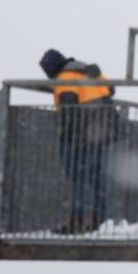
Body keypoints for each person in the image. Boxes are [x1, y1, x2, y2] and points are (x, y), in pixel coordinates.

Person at [39, 48, 117, 233]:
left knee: (78, 178)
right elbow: (111, 89)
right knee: (99, 178)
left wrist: (68, 136)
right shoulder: (89, 70)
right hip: (102, 131)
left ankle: (77, 222)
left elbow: (68, 107)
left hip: (83, 134)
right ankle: (100, 222)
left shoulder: (65, 78)